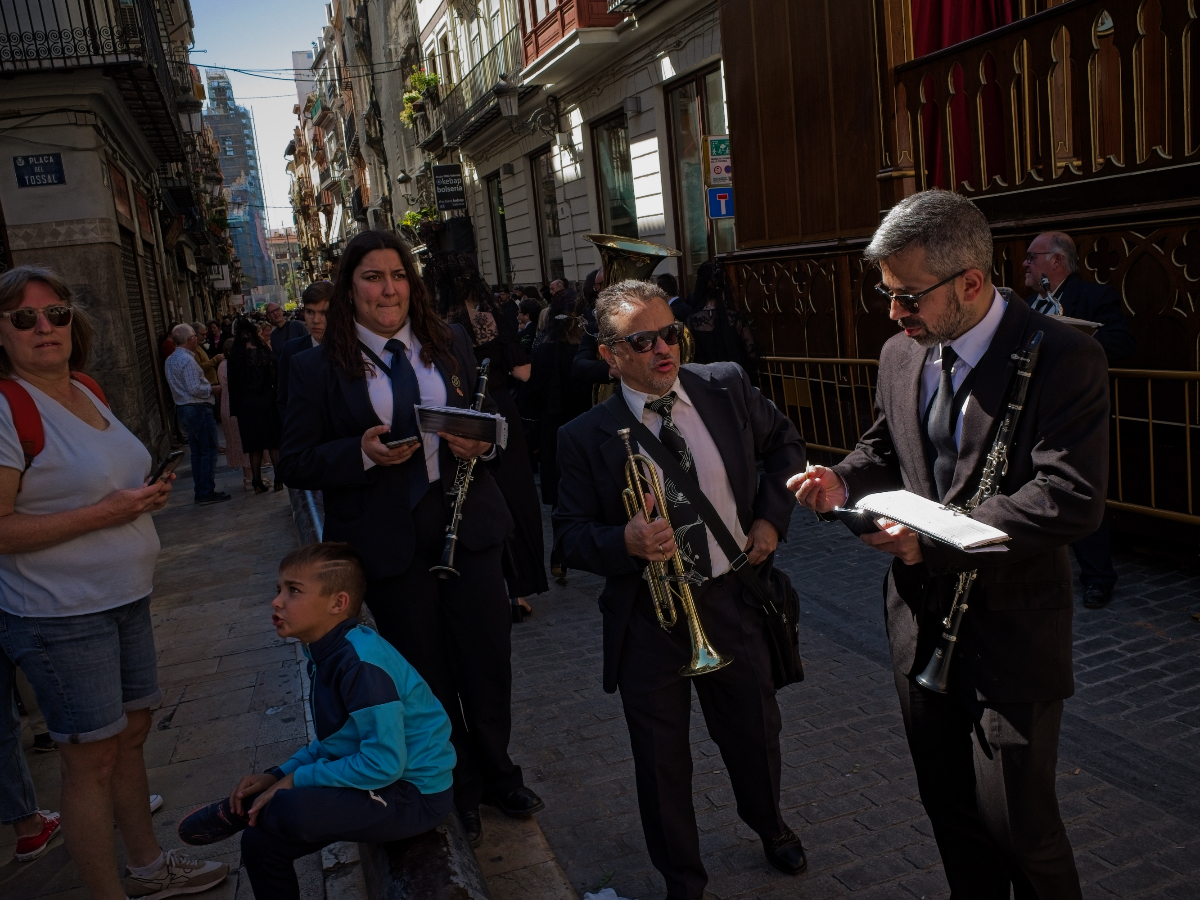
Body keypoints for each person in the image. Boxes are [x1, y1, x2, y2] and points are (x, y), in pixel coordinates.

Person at [791, 189, 1108, 900]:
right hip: (918, 623)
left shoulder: (1064, 355)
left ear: (970, 281)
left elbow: (1068, 497)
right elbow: (885, 447)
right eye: (887, 294)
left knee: (1021, 831)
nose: (894, 314)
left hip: (1012, 633)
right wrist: (841, 480)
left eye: (908, 297)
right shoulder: (901, 353)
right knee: (953, 819)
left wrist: (930, 542)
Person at [277, 230, 543, 849]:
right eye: (372, 277)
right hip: (386, 543)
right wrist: (359, 453)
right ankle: (460, 787)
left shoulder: (448, 341)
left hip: (467, 527)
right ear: (350, 289)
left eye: (398, 275)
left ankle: (500, 772)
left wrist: (482, 443)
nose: (388, 289)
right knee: (425, 674)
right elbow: (294, 460)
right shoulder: (314, 366)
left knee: (487, 660)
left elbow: (491, 424)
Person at [553, 279, 809, 899]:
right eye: (643, 341)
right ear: (610, 355)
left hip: (731, 599)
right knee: (660, 761)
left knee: (755, 734)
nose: (664, 349)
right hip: (648, 617)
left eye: (670, 333)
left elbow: (785, 447)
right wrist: (624, 542)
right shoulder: (583, 435)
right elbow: (568, 535)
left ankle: (769, 824)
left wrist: (771, 520)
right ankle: (683, 881)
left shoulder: (725, 385)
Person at [0, 265, 228, 898]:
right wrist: (106, 513)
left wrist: (140, 498)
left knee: (130, 738)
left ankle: (150, 868)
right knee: (89, 760)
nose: (44, 327)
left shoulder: (85, 387)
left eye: (56, 313)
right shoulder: (7, 407)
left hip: (124, 599)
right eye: (23, 318)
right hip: (60, 614)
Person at [176, 542, 455, 900]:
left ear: (337, 603)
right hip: (385, 781)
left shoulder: (361, 665)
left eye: (293, 591)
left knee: (284, 809)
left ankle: (247, 807)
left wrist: (297, 780)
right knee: (259, 841)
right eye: (279, 589)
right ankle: (251, 806)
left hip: (414, 794)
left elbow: (384, 764)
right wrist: (278, 774)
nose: (277, 602)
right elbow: (336, 740)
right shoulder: (325, 652)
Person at [427, 251, 546, 622]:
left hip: (457, 417)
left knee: (472, 499)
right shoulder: (487, 320)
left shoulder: (436, 328)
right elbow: (524, 372)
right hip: (498, 411)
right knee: (515, 497)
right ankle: (518, 589)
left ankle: (483, 583)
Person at [1024, 230, 1134, 609]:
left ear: (1056, 261)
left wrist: (1073, 342)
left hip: (1074, 413)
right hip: (1030, 413)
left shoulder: (1093, 297)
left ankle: (1098, 578)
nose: (1025, 263)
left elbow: (1122, 342)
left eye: (1032, 257)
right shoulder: (1026, 305)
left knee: (1076, 490)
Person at [165, 324, 231, 505]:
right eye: (195, 335)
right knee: (208, 449)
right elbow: (195, 388)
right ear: (190, 339)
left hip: (184, 408)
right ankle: (205, 491)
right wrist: (212, 389)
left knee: (197, 451)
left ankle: (201, 489)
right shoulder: (187, 360)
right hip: (197, 408)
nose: (197, 338)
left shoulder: (171, 359)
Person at [228, 318, 284, 494]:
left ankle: (257, 481)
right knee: (273, 442)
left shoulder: (235, 357)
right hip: (267, 402)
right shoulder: (264, 352)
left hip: (246, 406)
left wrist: (235, 409)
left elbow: (232, 387)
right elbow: (275, 377)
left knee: (254, 445)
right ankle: (279, 479)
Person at [686, 258, 761, 373]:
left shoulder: (691, 322)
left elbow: (688, 358)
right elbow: (752, 353)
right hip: (733, 378)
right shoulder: (736, 319)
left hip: (705, 379)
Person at [278, 282, 333, 419]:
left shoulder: (353, 348)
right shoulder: (292, 350)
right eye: (310, 312)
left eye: (324, 313)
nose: (316, 320)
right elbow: (284, 400)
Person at [217, 338, 257, 491]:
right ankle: (250, 478)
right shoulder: (231, 365)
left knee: (239, 441)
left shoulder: (223, 365)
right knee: (244, 441)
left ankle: (249, 476)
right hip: (236, 407)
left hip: (229, 406)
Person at [572, 267, 616, 387]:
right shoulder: (595, 327)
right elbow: (578, 365)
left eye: (600, 285)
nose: (598, 292)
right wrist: (612, 369)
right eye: (596, 288)